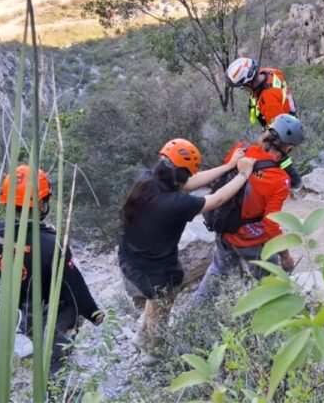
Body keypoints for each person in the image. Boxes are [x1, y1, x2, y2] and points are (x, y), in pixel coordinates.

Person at [118, 138, 255, 359]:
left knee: (154, 301)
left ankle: (141, 336)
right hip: (155, 270)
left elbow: (189, 182)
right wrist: (243, 174)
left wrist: (229, 166)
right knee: (162, 307)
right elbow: (217, 199)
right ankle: (154, 353)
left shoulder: (147, 178)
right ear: (182, 175)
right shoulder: (176, 204)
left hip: (131, 258)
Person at [0, 165, 103, 371]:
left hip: (18, 307)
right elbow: (74, 284)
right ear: (39, 204)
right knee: (56, 357)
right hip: (53, 311)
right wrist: (93, 313)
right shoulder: (49, 243)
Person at [194, 114, 305, 300]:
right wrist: (285, 255)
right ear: (289, 148)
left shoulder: (241, 149)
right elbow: (271, 224)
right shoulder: (279, 180)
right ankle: (270, 322)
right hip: (250, 241)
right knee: (271, 286)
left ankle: (193, 315)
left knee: (217, 272)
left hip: (224, 229)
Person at [225, 58, 302, 188]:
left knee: (276, 152)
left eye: (243, 86)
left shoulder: (268, 98)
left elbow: (277, 127)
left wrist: (266, 138)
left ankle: (293, 181)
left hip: (281, 124)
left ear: (249, 83)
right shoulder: (270, 72)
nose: (243, 89)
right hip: (287, 112)